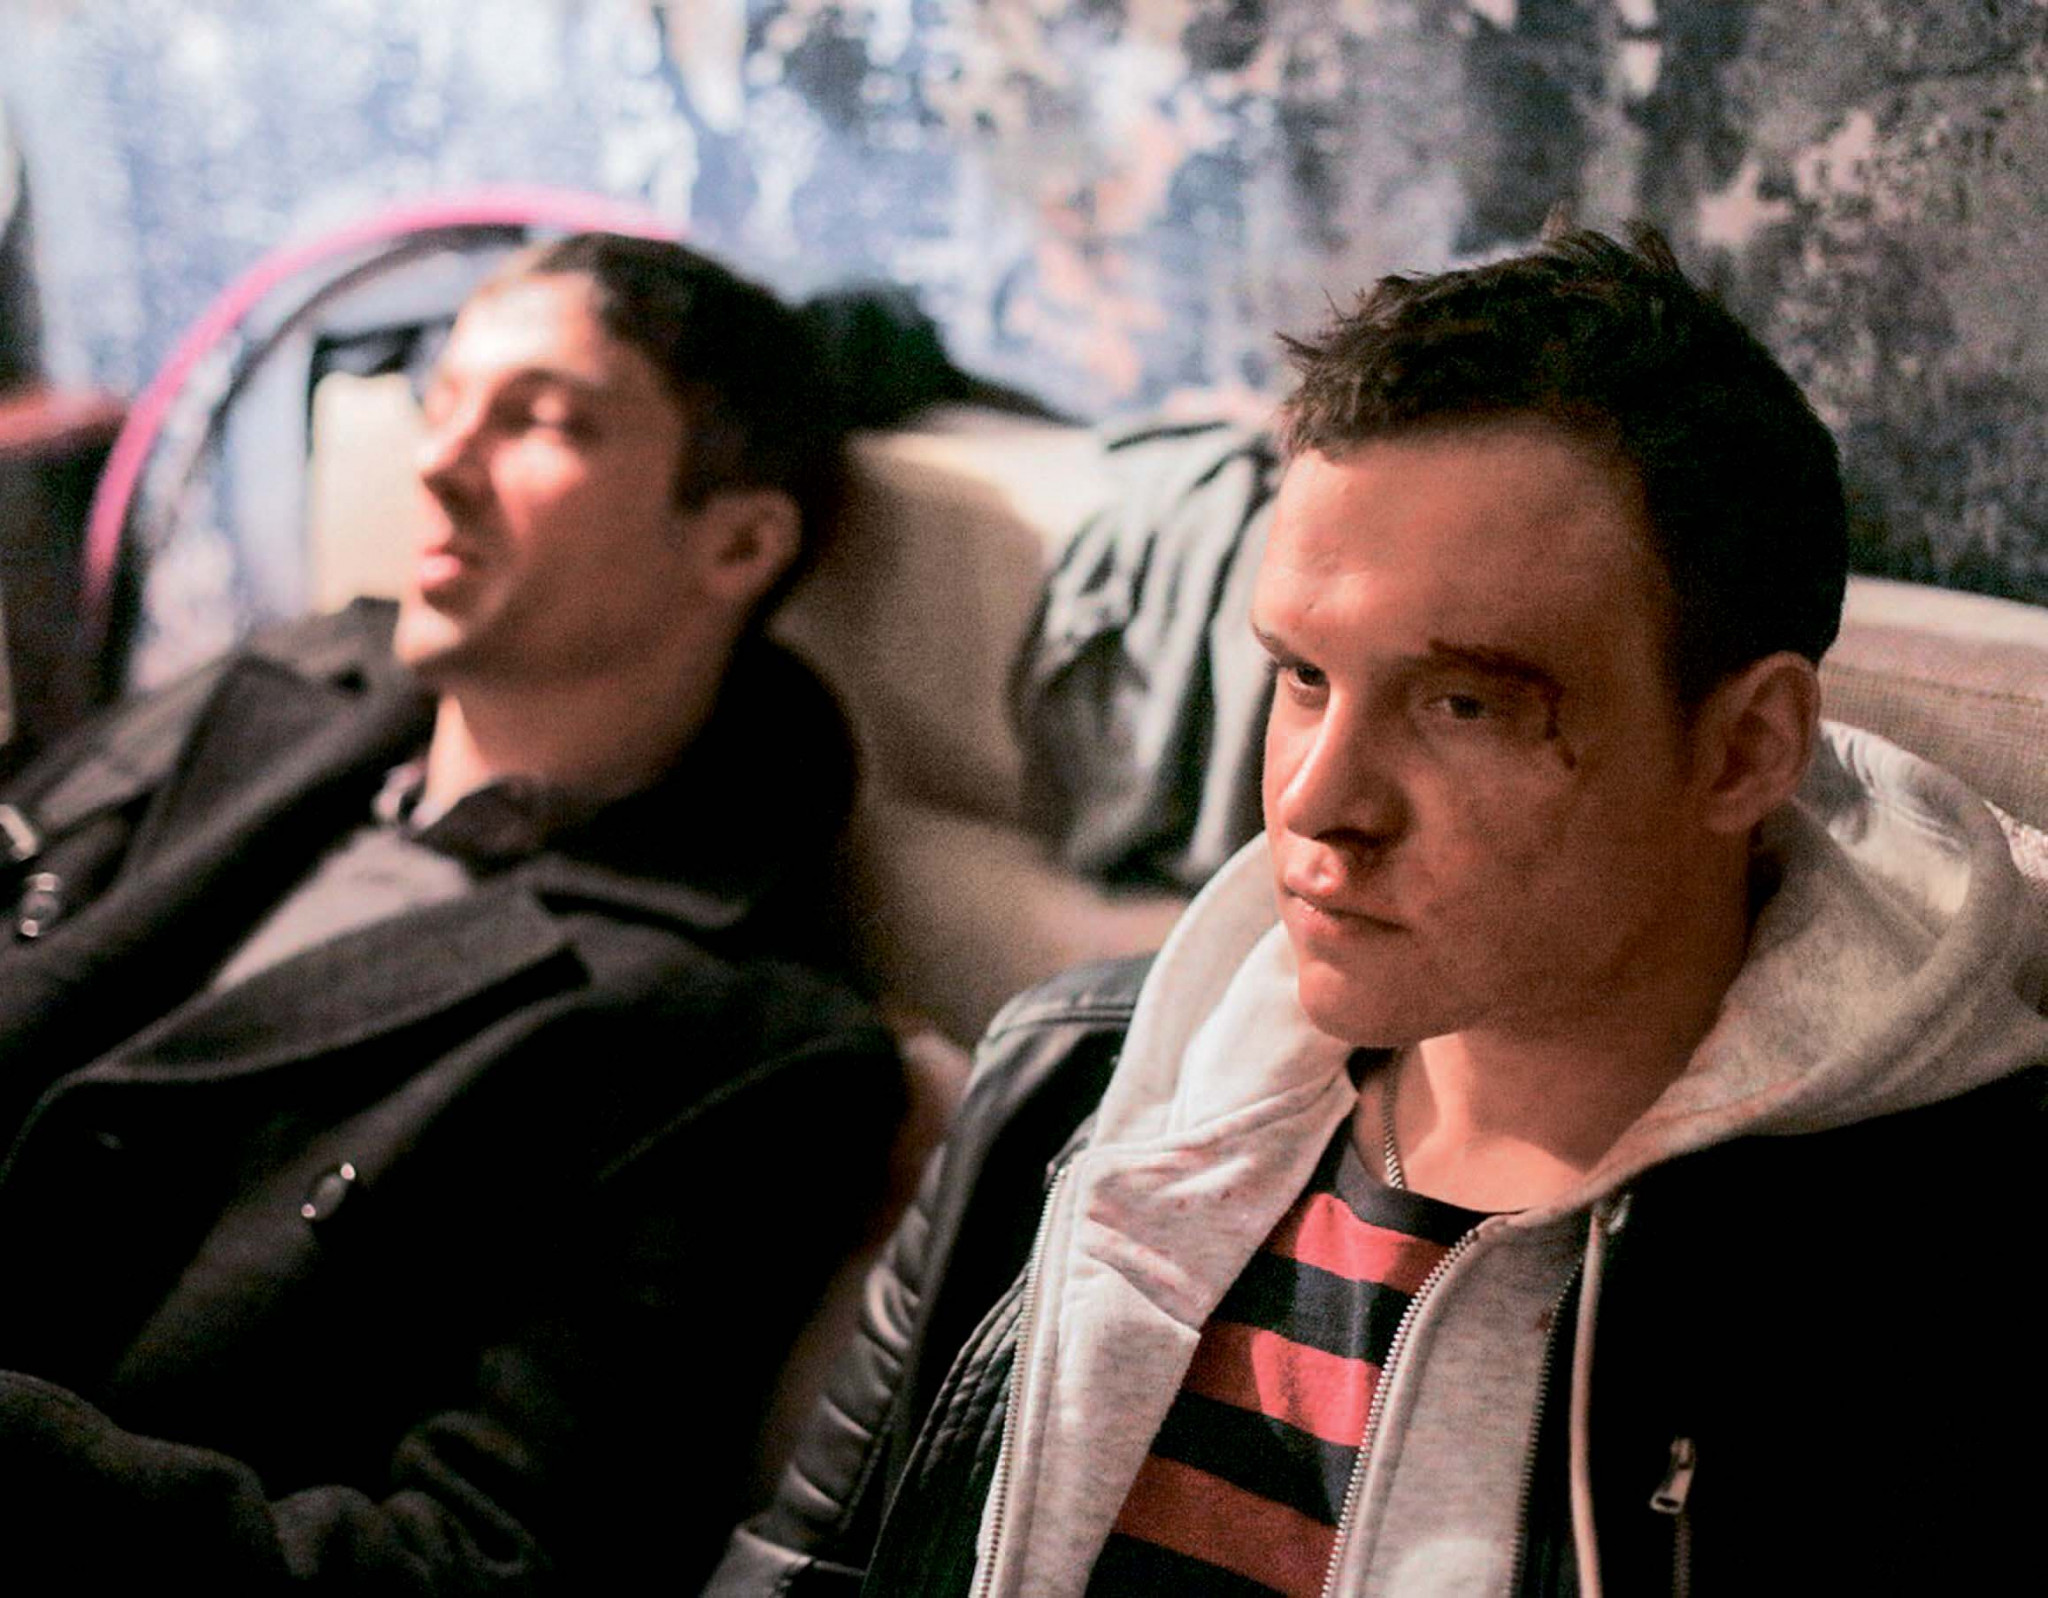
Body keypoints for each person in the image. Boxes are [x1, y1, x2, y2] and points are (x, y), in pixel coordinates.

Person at [709, 225, 2048, 1596]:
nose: (1316, 800)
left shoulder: (1958, 1279)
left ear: (1743, 750)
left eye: (1462, 703)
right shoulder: (1066, 1085)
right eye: (1303, 677)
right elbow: (799, 1565)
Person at [0, 233, 903, 1592]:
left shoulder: (741, 1046)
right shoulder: (282, 687)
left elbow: (476, 1569)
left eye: (541, 420)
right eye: (446, 400)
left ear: (737, 540)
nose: (437, 464)